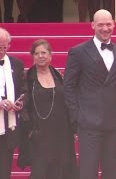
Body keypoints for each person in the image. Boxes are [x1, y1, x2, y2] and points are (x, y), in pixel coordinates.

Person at [64, 9, 116, 179]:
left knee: (112, 172)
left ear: (114, 24)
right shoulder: (78, 51)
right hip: (88, 124)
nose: (105, 28)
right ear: (92, 25)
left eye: (108, 24)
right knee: (87, 172)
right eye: (101, 25)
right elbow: (68, 86)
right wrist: (77, 116)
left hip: (114, 124)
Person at [19, 39, 78, 179]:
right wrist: (29, 129)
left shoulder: (59, 75)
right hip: (39, 133)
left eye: (44, 52)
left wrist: (74, 125)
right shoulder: (27, 77)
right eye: (37, 53)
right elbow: (23, 103)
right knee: (40, 171)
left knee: (62, 170)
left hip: (62, 132)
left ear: (50, 55)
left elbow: (68, 101)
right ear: (32, 56)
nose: (41, 56)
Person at [0, 27, 24, 179]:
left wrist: (20, 102)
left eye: (4, 47)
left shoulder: (16, 64)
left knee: (4, 166)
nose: (2, 50)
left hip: (8, 124)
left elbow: (22, 89)